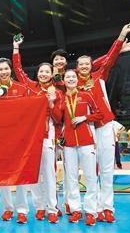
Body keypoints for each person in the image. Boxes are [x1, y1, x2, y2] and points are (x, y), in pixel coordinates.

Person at [76, 22, 130, 223]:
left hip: (105, 126)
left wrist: (120, 36)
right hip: (86, 129)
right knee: (91, 172)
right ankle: (92, 210)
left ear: (92, 65)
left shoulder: (100, 75)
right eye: (80, 64)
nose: (84, 66)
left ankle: (107, 208)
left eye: (87, 63)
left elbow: (108, 59)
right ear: (76, 68)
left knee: (107, 170)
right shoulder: (72, 84)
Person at [12, 36, 61, 223]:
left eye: (47, 72)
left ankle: (51, 209)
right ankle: (39, 207)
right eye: (41, 72)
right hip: (31, 138)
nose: (43, 74)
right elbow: (19, 71)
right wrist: (16, 49)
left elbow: (58, 117)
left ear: (51, 74)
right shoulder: (31, 88)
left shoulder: (57, 91)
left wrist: (51, 101)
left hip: (48, 136)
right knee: (33, 173)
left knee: (49, 174)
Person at [50, 69, 103, 226]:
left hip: (86, 141)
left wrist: (84, 117)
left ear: (77, 79)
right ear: (64, 81)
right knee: (71, 178)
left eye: (73, 77)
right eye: (68, 77)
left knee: (91, 177)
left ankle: (91, 211)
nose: (71, 79)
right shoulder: (62, 98)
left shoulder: (86, 96)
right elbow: (57, 118)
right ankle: (76, 210)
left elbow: (99, 114)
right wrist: (52, 103)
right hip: (69, 143)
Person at [0, 57, 30, 224]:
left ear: (10, 70)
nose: (3, 72)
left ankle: (22, 210)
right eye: (0, 70)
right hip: (0, 139)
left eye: (6, 69)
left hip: (19, 138)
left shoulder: (22, 88)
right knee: (3, 175)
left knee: (20, 175)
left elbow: (29, 110)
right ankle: (7, 208)